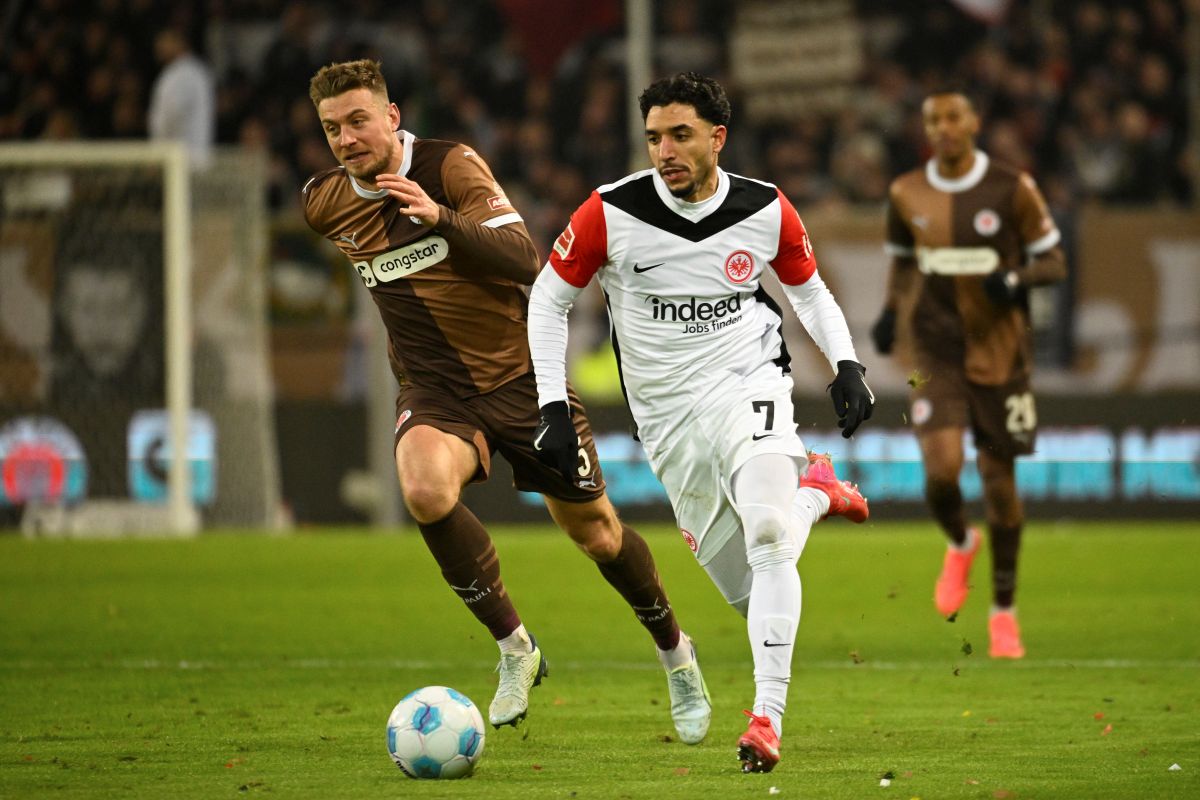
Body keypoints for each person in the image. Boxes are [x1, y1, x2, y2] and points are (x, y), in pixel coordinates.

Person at [301, 60, 711, 742]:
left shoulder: (451, 168)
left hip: (523, 381)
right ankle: (516, 649)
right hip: (435, 391)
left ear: (393, 117)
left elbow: (528, 258)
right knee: (425, 491)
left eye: (358, 121)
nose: (345, 139)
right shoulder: (324, 203)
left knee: (599, 535)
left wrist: (439, 220)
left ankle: (676, 654)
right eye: (330, 128)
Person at [526, 72, 875, 774]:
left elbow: (809, 291)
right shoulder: (608, 213)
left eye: (680, 135)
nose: (665, 151)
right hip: (667, 419)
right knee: (749, 595)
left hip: (749, 382)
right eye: (654, 137)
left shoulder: (766, 209)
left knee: (770, 536)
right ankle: (817, 492)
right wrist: (553, 406)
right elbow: (547, 301)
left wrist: (846, 363)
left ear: (718, 137)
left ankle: (766, 720)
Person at [869, 88, 1067, 659]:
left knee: (1000, 485)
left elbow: (1054, 260)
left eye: (954, 116)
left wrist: (1016, 281)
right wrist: (889, 311)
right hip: (934, 352)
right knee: (942, 472)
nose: (944, 127)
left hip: (1000, 354)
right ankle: (960, 541)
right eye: (934, 119)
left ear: (974, 121)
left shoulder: (1012, 187)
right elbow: (904, 262)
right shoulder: (906, 191)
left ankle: (1003, 611)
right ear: (926, 128)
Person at [147, 27, 215, 169]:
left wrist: (158, 151)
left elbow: (171, 116)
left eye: (165, 41)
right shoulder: (195, 70)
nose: (159, 46)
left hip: (180, 160)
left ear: (179, 42)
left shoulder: (183, 74)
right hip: (192, 157)